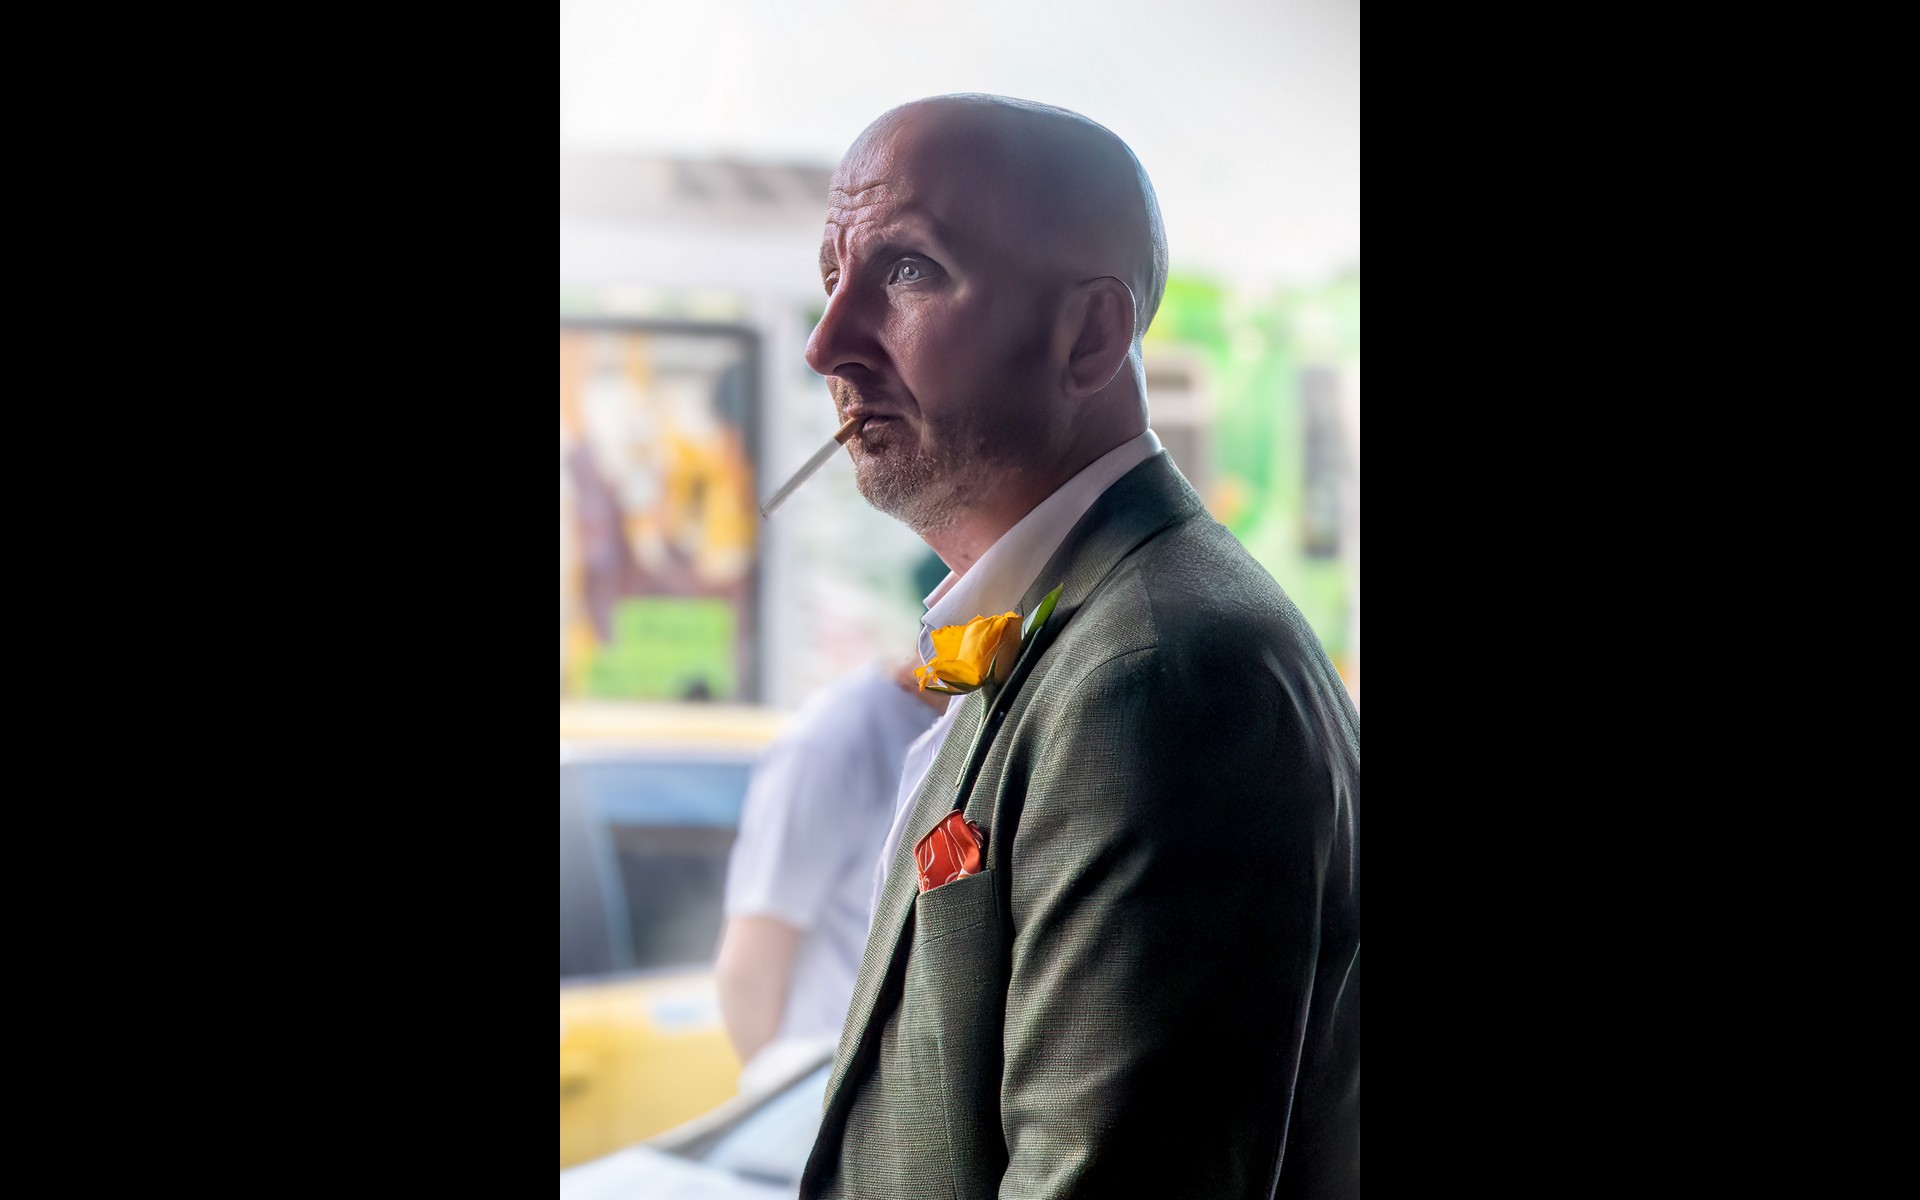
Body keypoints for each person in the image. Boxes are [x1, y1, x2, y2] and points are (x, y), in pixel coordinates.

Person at [795, 95, 1360, 1200]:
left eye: (906, 270)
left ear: (1091, 335)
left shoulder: (1162, 675)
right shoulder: (1084, 630)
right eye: (832, 276)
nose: (829, 343)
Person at [715, 655, 945, 1085]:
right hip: (832, 1088)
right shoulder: (834, 739)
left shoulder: (966, 718)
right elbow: (747, 970)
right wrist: (796, 1105)